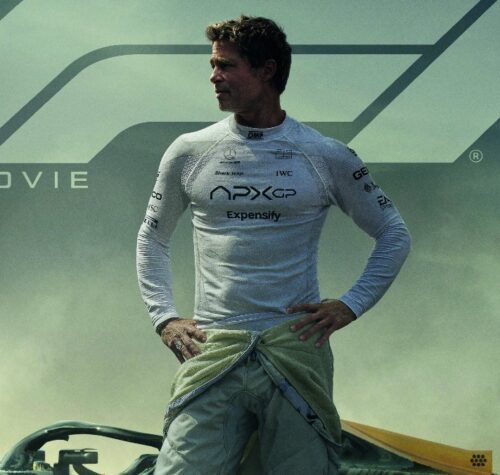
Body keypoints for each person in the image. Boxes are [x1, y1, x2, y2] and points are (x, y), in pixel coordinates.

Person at [136, 15, 411, 474]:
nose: (214, 76)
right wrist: (164, 317)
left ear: (266, 71)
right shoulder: (189, 150)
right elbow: (152, 236)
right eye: (213, 65)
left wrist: (350, 305)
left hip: (295, 351)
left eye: (226, 65)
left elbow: (394, 234)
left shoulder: (325, 154)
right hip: (212, 349)